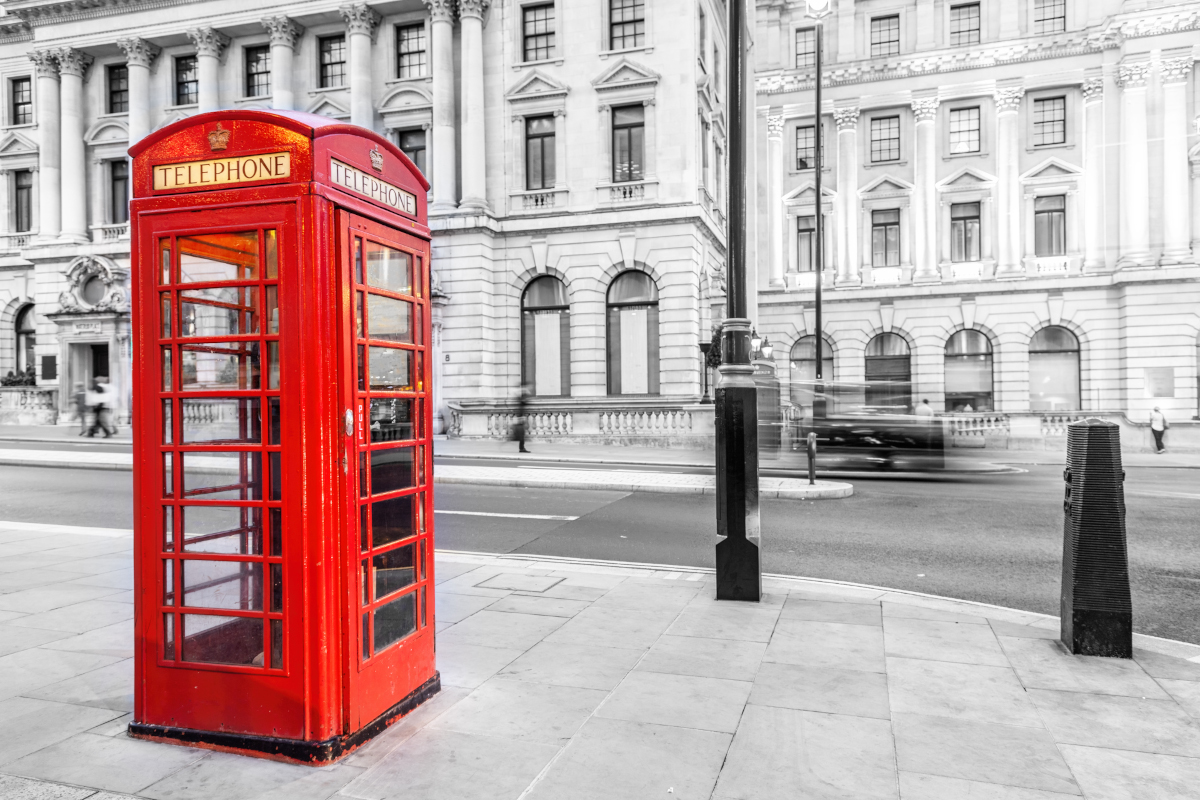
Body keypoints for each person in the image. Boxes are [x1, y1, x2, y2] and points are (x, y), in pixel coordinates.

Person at [514, 385, 531, 454]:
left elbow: (527, 402)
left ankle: (522, 448)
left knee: (522, 435)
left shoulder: (521, 402)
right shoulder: (521, 402)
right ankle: (521, 448)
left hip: (521, 419)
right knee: (522, 434)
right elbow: (526, 402)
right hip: (520, 420)